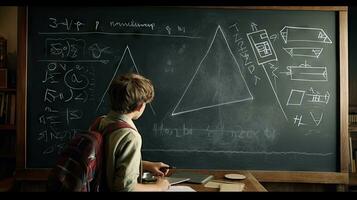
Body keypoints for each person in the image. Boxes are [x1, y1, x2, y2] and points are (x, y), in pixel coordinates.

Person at [97, 73, 170, 191]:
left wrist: (146, 165)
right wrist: (158, 187)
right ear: (140, 106)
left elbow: (109, 161)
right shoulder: (130, 136)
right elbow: (126, 188)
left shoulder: (102, 121)